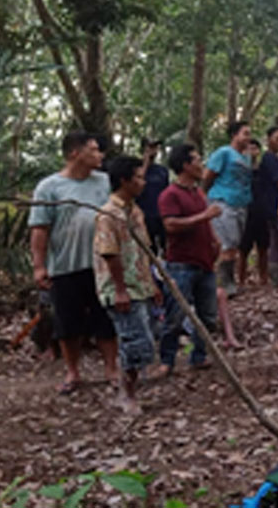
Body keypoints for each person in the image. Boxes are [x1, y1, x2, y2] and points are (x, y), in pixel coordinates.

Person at [29, 132, 118, 395]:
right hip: (65, 265)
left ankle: (111, 369)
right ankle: (73, 372)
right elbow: (40, 229)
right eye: (93, 150)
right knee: (68, 323)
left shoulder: (104, 182)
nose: (100, 155)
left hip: (102, 264)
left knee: (105, 318)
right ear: (74, 154)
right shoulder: (49, 187)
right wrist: (39, 265)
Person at [93, 156, 162, 414]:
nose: (143, 183)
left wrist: (152, 283)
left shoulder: (135, 211)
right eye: (139, 177)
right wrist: (120, 289)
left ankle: (129, 388)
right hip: (121, 289)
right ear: (124, 180)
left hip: (140, 284)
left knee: (142, 339)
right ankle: (126, 394)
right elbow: (110, 253)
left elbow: (143, 250)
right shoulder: (108, 215)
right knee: (135, 341)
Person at [154, 143, 221, 375]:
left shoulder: (198, 192)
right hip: (180, 264)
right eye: (197, 160)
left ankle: (199, 356)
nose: (201, 164)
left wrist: (214, 240)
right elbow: (170, 225)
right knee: (175, 315)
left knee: (207, 315)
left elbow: (205, 222)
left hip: (204, 261)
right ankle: (167, 361)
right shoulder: (170, 195)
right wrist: (204, 216)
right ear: (185, 165)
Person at [203, 121, 252, 348]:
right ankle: (221, 286)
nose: (248, 137)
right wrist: (204, 201)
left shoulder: (248, 157)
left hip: (241, 206)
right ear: (234, 135)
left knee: (233, 247)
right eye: (245, 134)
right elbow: (208, 176)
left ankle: (226, 286)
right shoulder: (223, 153)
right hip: (223, 203)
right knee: (225, 247)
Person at [257, 127, 278, 285]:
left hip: (273, 206)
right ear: (268, 140)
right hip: (277, 207)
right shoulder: (270, 158)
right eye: (277, 138)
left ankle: (276, 275)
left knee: (277, 241)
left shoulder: (275, 158)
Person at [239, 138, 270, 288]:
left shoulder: (264, 169)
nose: (251, 152)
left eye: (254, 148)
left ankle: (263, 278)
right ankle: (241, 280)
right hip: (245, 212)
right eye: (248, 148)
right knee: (243, 249)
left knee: (263, 247)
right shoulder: (240, 170)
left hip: (262, 212)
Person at [136, 138, 169, 256]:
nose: (153, 151)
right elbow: (137, 183)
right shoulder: (136, 168)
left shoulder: (162, 170)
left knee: (166, 247)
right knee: (148, 249)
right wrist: (145, 162)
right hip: (144, 215)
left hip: (160, 214)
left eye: (155, 148)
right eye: (150, 147)